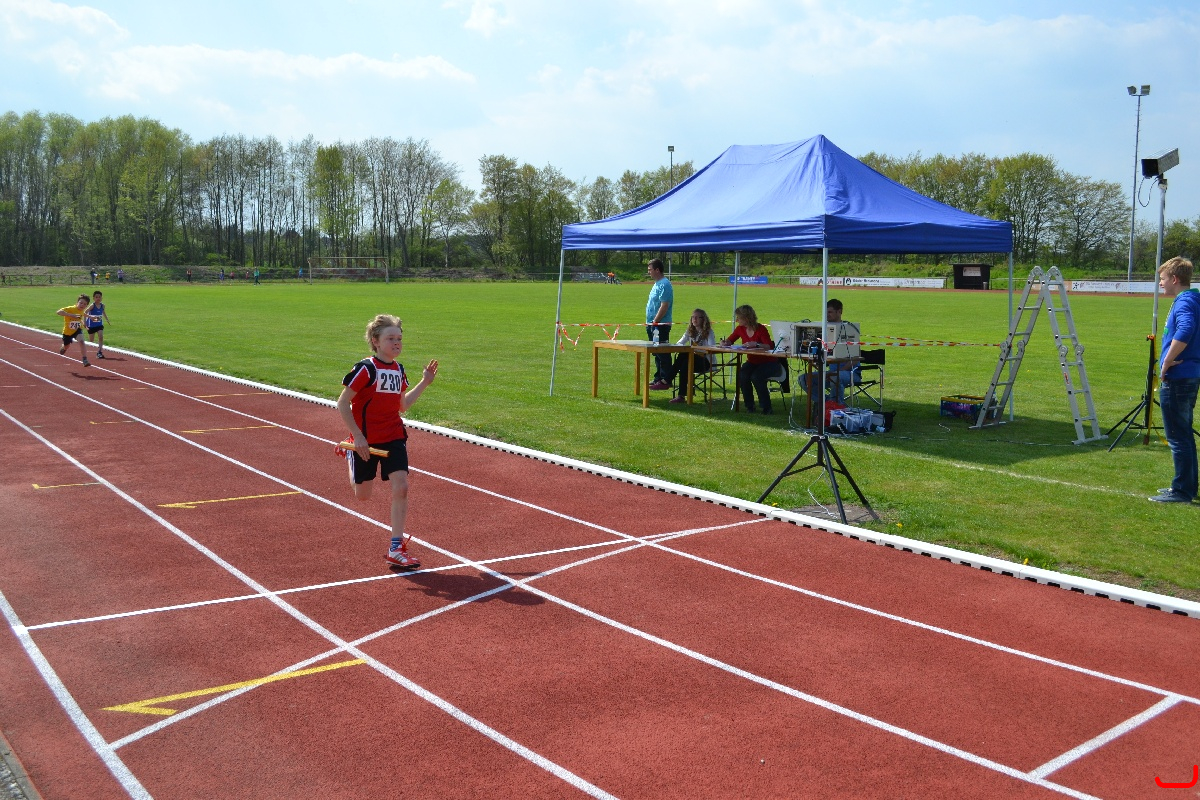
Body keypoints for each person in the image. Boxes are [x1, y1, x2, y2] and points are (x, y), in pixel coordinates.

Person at [337, 315, 439, 568]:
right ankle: (349, 452)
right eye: (390, 338)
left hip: (393, 436)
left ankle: (396, 547)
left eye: (399, 338)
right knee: (363, 495)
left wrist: (425, 382)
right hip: (365, 440)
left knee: (401, 487)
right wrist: (358, 437)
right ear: (376, 341)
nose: (397, 343)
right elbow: (343, 403)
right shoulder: (366, 369)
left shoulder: (399, 370)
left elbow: (402, 405)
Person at [1152, 256, 1199, 504]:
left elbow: (1186, 329)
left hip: (1179, 377)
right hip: (1190, 374)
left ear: (1174, 279)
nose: (1160, 283)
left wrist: (1167, 361)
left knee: (1178, 437)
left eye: (1162, 279)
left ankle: (1182, 491)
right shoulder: (1193, 299)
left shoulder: (1184, 302)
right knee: (1184, 435)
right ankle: (1186, 486)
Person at [721, 304, 776, 414]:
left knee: (756, 377)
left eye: (739, 318)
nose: (737, 320)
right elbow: (730, 340)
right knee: (743, 375)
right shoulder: (740, 329)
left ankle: (766, 407)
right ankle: (749, 406)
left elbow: (769, 346)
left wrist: (756, 344)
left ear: (746, 318)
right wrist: (725, 342)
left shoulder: (761, 329)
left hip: (768, 362)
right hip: (752, 361)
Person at [802, 298, 860, 403]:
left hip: (850, 373)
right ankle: (826, 404)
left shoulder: (849, 329)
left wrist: (838, 371)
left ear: (839, 312)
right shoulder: (824, 331)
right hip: (831, 373)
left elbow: (856, 358)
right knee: (804, 379)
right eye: (826, 312)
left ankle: (836, 406)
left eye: (830, 312)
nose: (827, 315)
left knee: (835, 377)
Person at [663, 309, 717, 404]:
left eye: (697, 317)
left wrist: (695, 350)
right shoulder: (690, 331)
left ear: (703, 319)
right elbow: (680, 343)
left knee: (684, 355)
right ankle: (681, 396)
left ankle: (666, 380)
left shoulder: (709, 332)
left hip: (705, 362)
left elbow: (711, 348)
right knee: (685, 364)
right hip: (692, 361)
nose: (694, 319)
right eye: (693, 317)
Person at [644, 258, 675, 390]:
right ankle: (658, 377)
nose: (649, 272)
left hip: (659, 325)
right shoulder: (656, 284)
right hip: (652, 324)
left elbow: (664, 305)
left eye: (650, 270)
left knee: (662, 352)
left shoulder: (665, 284)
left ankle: (665, 379)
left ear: (657, 270)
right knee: (656, 352)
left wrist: (655, 321)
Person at [56, 294, 91, 367]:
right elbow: (58, 312)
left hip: (77, 330)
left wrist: (84, 324)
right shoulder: (71, 308)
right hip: (67, 332)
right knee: (67, 346)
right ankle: (64, 347)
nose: (82, 305)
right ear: (77, 303)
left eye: (84, 304)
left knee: (82, 341)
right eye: (81, 303)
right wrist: (71, 315)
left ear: (86, 306)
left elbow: (79, 319)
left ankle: (85, 359)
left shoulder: (82, 311)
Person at [84, 290, 110, 358]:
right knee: (91, 340)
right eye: (96, 297)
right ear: (93, 298)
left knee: (101, 336)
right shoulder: (92, 306)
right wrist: (85, 322)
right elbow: (85, 313)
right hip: (91, 325)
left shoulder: (102, 305)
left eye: (99, 297)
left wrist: (107, 319)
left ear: (102, 298)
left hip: (99, 325)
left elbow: (103, 312)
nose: (98, 298)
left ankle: (100, 352)